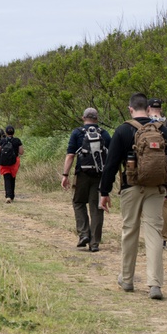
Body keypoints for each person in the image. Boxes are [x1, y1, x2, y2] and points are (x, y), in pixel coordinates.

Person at [100, 93, 167, 301]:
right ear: (147, 107)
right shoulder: (163, 130)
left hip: (130, 187)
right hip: (156, 187)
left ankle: (127, 279)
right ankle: (155, 284)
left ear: (131, 109)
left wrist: (104, 192)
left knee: (130, 230)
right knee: (154, 233)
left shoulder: (123, 130)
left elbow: (110, 164)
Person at [61, 108, 111, 252]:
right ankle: (94, 243)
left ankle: (84, 234)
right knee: (96, 208)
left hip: (82, 174)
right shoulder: (104, 133)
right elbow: (111, 155)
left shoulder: (77, 133)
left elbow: (70, 155)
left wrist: (65, 175)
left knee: (78, 202)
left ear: (83, 118)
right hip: (99, 175)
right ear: (96, 118)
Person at [147, 99, 167, 248]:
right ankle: (163, 238)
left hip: (146, 166)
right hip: (166, 167)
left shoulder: (144, 123)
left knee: (144, 200)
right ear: (161, 108)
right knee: (164, 201)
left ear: (148, 108)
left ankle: (150, 235)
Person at [0, 125, 24, 203]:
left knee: (7, 178)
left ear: (6, 132)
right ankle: (12, 195)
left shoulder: (2, 140)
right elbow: (21, 152)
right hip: (14, 162)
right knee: (12, 178)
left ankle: (8, 195)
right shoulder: (17, 140)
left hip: (4, 162)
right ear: (13, 132)